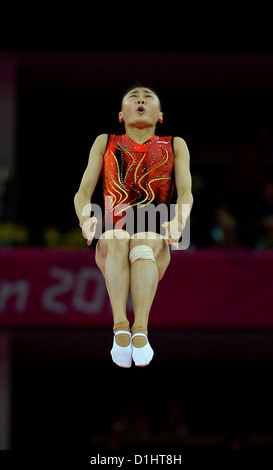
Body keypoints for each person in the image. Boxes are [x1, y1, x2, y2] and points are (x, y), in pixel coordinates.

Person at [74, 86, 193, 367]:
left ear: (160, 115)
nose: (141, 98)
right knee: (117, 236)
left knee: (142, 238)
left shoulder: (175, 144)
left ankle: (141, 328)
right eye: (134, 96)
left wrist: (179, 221)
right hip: (113, 236)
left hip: (154, 234)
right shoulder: (105, 141)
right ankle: (120, 327)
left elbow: (186, 192)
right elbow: (82, 193)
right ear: (121, 114)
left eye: (148, 96)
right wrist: (85, 218)